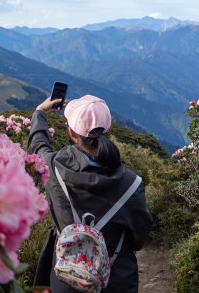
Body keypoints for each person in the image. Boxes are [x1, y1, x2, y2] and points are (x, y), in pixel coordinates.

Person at [28, 95, 152, 293]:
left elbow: (38, 147)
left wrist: (40, 114)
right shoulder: (132, 184)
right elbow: (138, 238)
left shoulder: (53, 170)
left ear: (71, 132)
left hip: (66, 278)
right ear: (108, 130)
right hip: (114, 280)